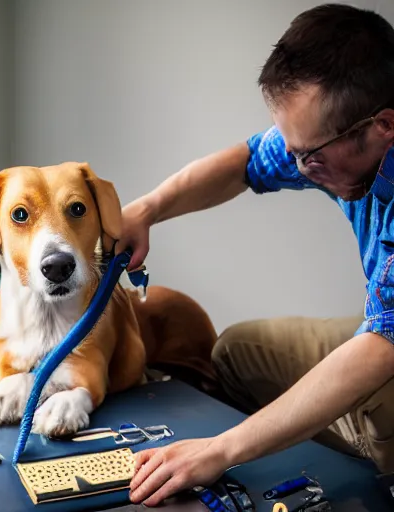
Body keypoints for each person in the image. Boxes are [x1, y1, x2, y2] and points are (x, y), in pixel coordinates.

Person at [117, 3, 394, 507]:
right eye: (292, 151)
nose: (299, 168)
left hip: (387, 345)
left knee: (375, 390)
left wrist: (219, 451)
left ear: (384, 126)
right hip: (382, 326)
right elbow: (245, 163)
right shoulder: (328, 141)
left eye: (311, 155)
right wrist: (146, 209)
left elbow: (380, 350)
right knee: (236, 352)